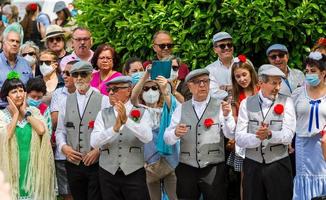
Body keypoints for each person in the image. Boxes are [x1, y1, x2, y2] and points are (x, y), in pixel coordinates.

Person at [164, 69, 236, 200]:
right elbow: (167, 139)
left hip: (213, 167)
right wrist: (175, 133)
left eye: (205, 81)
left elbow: (231, 134)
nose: (202, 85)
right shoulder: (181, 108)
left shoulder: (220, 106)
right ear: (189, 86)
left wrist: (227, 117)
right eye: (197, 82)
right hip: (187, 167)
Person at [235, 64, 296, 200]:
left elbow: (288, 136)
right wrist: (258, 137)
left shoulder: (287, 102)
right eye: (274, 83)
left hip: (279, 163)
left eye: (279, 83)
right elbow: (239, 137)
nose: (278, 87)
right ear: (261, 83)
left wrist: (270, 134)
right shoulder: (246, 103)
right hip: (252, 165)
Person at [91, 76, 152, 200]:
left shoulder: (142, 112)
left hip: (134, 172)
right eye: (109, 90)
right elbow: (94, 142)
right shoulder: (102, 114)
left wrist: (127, 121)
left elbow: (147, 137)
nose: (111, 92)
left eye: (115, 89)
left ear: (129, 90)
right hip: (108, 172)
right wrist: (113, 129)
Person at [56, 61, 109, 200]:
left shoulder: (104, 100)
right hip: (73, 162)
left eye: (83, 74)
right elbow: (60, 131)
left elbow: (111, 132)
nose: (79, 78)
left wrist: (98, 151)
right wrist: (64, 147)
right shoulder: (64, 102)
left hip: (96, 162)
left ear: (91, 76)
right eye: (75, 74)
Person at [0, 71, 55, 199]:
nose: (19, 95)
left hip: (32, 167)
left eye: (21, 90)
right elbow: (6, 135)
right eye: (14, 92)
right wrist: (14, 115)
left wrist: (24, 112)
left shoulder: (33, 112)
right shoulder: (2, 115)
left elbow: (42, 130)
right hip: (10, 169)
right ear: (6, 96)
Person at [131, 69, 179, 200]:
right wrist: (146, 75)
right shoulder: (140, 110)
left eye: (154, 88)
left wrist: (164, 88)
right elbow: (133, 98)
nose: (150, 91)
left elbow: (172, 104)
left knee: (173, 197)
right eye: (146, 89)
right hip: (150, 164)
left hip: (169, 161)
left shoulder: (166, 110)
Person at [292, 52, 326, 200]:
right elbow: (290, 119)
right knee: (304, 176)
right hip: (303, 145)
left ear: (323, 73)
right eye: (307, 71)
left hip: (323, 146)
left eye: (313, 71)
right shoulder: (298, 93)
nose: (309, 74)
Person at [227, 54, 259, 200]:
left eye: (244, 75)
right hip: (244, 141)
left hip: (261, 137)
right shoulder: (234, 94)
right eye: (238, 77)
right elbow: (233, 120)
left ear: (251, 74)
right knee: (245, 178)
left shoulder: (260, 90)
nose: (242, 79)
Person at [50, 60, 77, 200]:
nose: (64, 76)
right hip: (63, 152)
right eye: (63, 73)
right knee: (66, 193)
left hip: (85, 153)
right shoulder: (58, 93)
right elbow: (54, 123)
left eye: (68, 73)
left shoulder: (93, 94)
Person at [0, 24, 32, 109]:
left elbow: (30, 89)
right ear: (4, 42)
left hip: (23, 110)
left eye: (17, 42)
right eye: (12, 40)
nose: (15, 44)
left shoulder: (25, 64)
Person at [206, 31, 234, 99]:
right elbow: (213, 94)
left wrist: (227, 89)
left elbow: (252, 85)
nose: (227, 48)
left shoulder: (243, 62)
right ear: (215, 49)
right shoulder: (209, 70)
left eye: (229, 45)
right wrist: (238, 89)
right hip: (221, 107)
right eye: (222, 46)